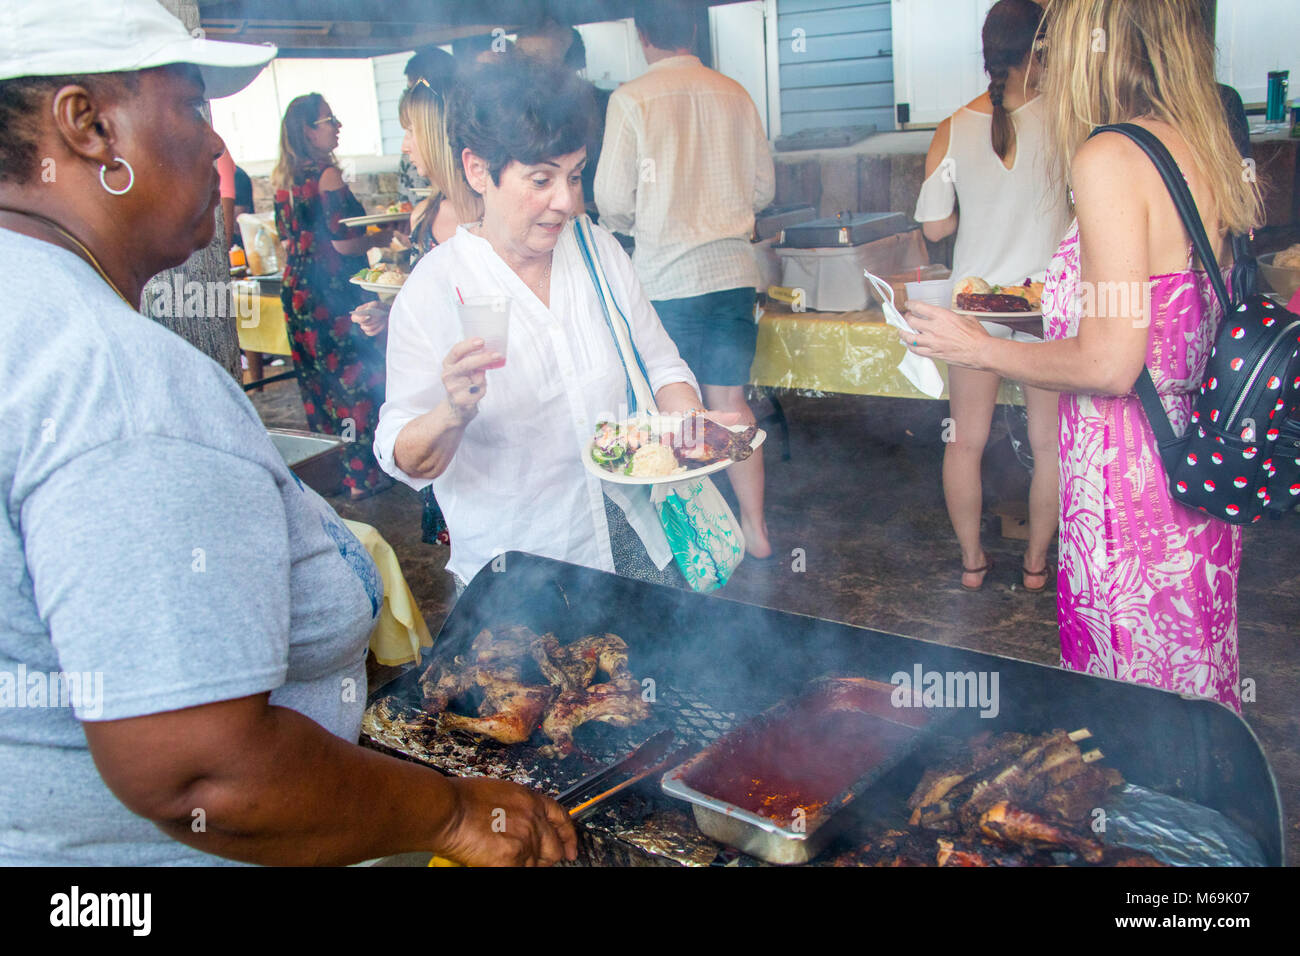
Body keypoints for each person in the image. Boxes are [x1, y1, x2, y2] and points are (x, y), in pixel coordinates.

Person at [0, 0, 574, 866]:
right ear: (87, 126)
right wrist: (452, 815)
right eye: (193, 107)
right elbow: (202, 777)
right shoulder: (115, 377)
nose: (218, 147)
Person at [901, 0, 1262, 711]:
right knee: (1189, 685)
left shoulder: (1111, 156)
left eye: (1063, 41)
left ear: (1100, 47)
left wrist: (978, 345)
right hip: (1195, 464)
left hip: (1130, 484)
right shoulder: (1199, 141)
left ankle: (1135, 818)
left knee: (1126, 697)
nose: (1055, 61)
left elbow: (1110, 364)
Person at [375, 57, 725, 594]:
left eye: (576, 175)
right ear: (477, 170)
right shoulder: (434, 289)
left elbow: (661, 362)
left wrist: (690, 432)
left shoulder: (596, 249)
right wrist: (452, 411)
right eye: (541, 179)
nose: (566, 201)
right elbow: (406, 456)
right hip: (521, 573)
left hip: (635, 543)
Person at [594, 0, 776, 558]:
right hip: (731, 275)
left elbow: (609, 201)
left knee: (670, 416)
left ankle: (691, 540)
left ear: (642, 35)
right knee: (731, 405)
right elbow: (763, 191)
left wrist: (645, 217)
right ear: (693, 29)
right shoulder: (736, 94)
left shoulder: (631, 99)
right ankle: (756, 529)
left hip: (665, 281)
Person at [912, 0, 1069, 592]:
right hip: (1043, 309)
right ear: (1042, 49)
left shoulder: (954, 125)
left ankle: (973, 565)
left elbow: (934, 228)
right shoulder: (1069, 121)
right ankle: (1034, 568)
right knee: (1049, 447)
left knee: (964, 442)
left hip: (972, 309)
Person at [353, 68, 481, 547]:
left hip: (492, 389)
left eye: (411, 131)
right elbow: (423, 302)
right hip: (437, 398)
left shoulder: (494, 214)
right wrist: (388, 313)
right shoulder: (423, 215)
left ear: (436, 135)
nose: (405, 145)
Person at [273, 93, 393, 499]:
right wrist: (386, 233)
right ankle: (363, 476)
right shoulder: (327, 175)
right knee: (356, 377)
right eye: (329, 120)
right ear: (308, 131)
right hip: (334, 291)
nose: (336, 125)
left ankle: (335, 475)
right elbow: (344, 244)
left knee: (317, 382)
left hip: (298, 290)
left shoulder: (283, 180)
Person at [395, 47, 452, 208]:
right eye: (409, 89)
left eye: (419, 89)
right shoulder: (411, 147)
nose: (410, 97)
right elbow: (404, 201)